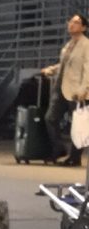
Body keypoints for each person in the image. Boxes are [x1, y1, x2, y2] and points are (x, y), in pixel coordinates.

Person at [41, 13, 89, 166]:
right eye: (70, 22)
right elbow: (64, 65)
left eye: (76, 22)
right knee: (50, 118)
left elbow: (88, 69)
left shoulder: (86, 45)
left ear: (83, 27)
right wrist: (51, 69)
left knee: (78, 125)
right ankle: (59, 148)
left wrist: (84, 89)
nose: (71, 25)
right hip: (61, 89)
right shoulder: (68, 45)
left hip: (77, 92)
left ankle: (75, 158)